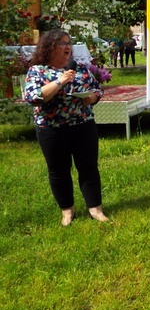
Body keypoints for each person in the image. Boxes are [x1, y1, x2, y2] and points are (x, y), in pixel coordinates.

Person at [23, 30, 108, 226]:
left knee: (88, 167)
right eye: (62, 43)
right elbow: (33, 97)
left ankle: (95, 209)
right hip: (51, 129)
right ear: (49, 47)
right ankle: (67, 211)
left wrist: (91, 97)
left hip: (83, 126)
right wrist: (60, 81)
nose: (67, 46)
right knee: (58, 171)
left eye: (68, 42)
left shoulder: (79, 68)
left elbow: (97, 89)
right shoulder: (38, 71)